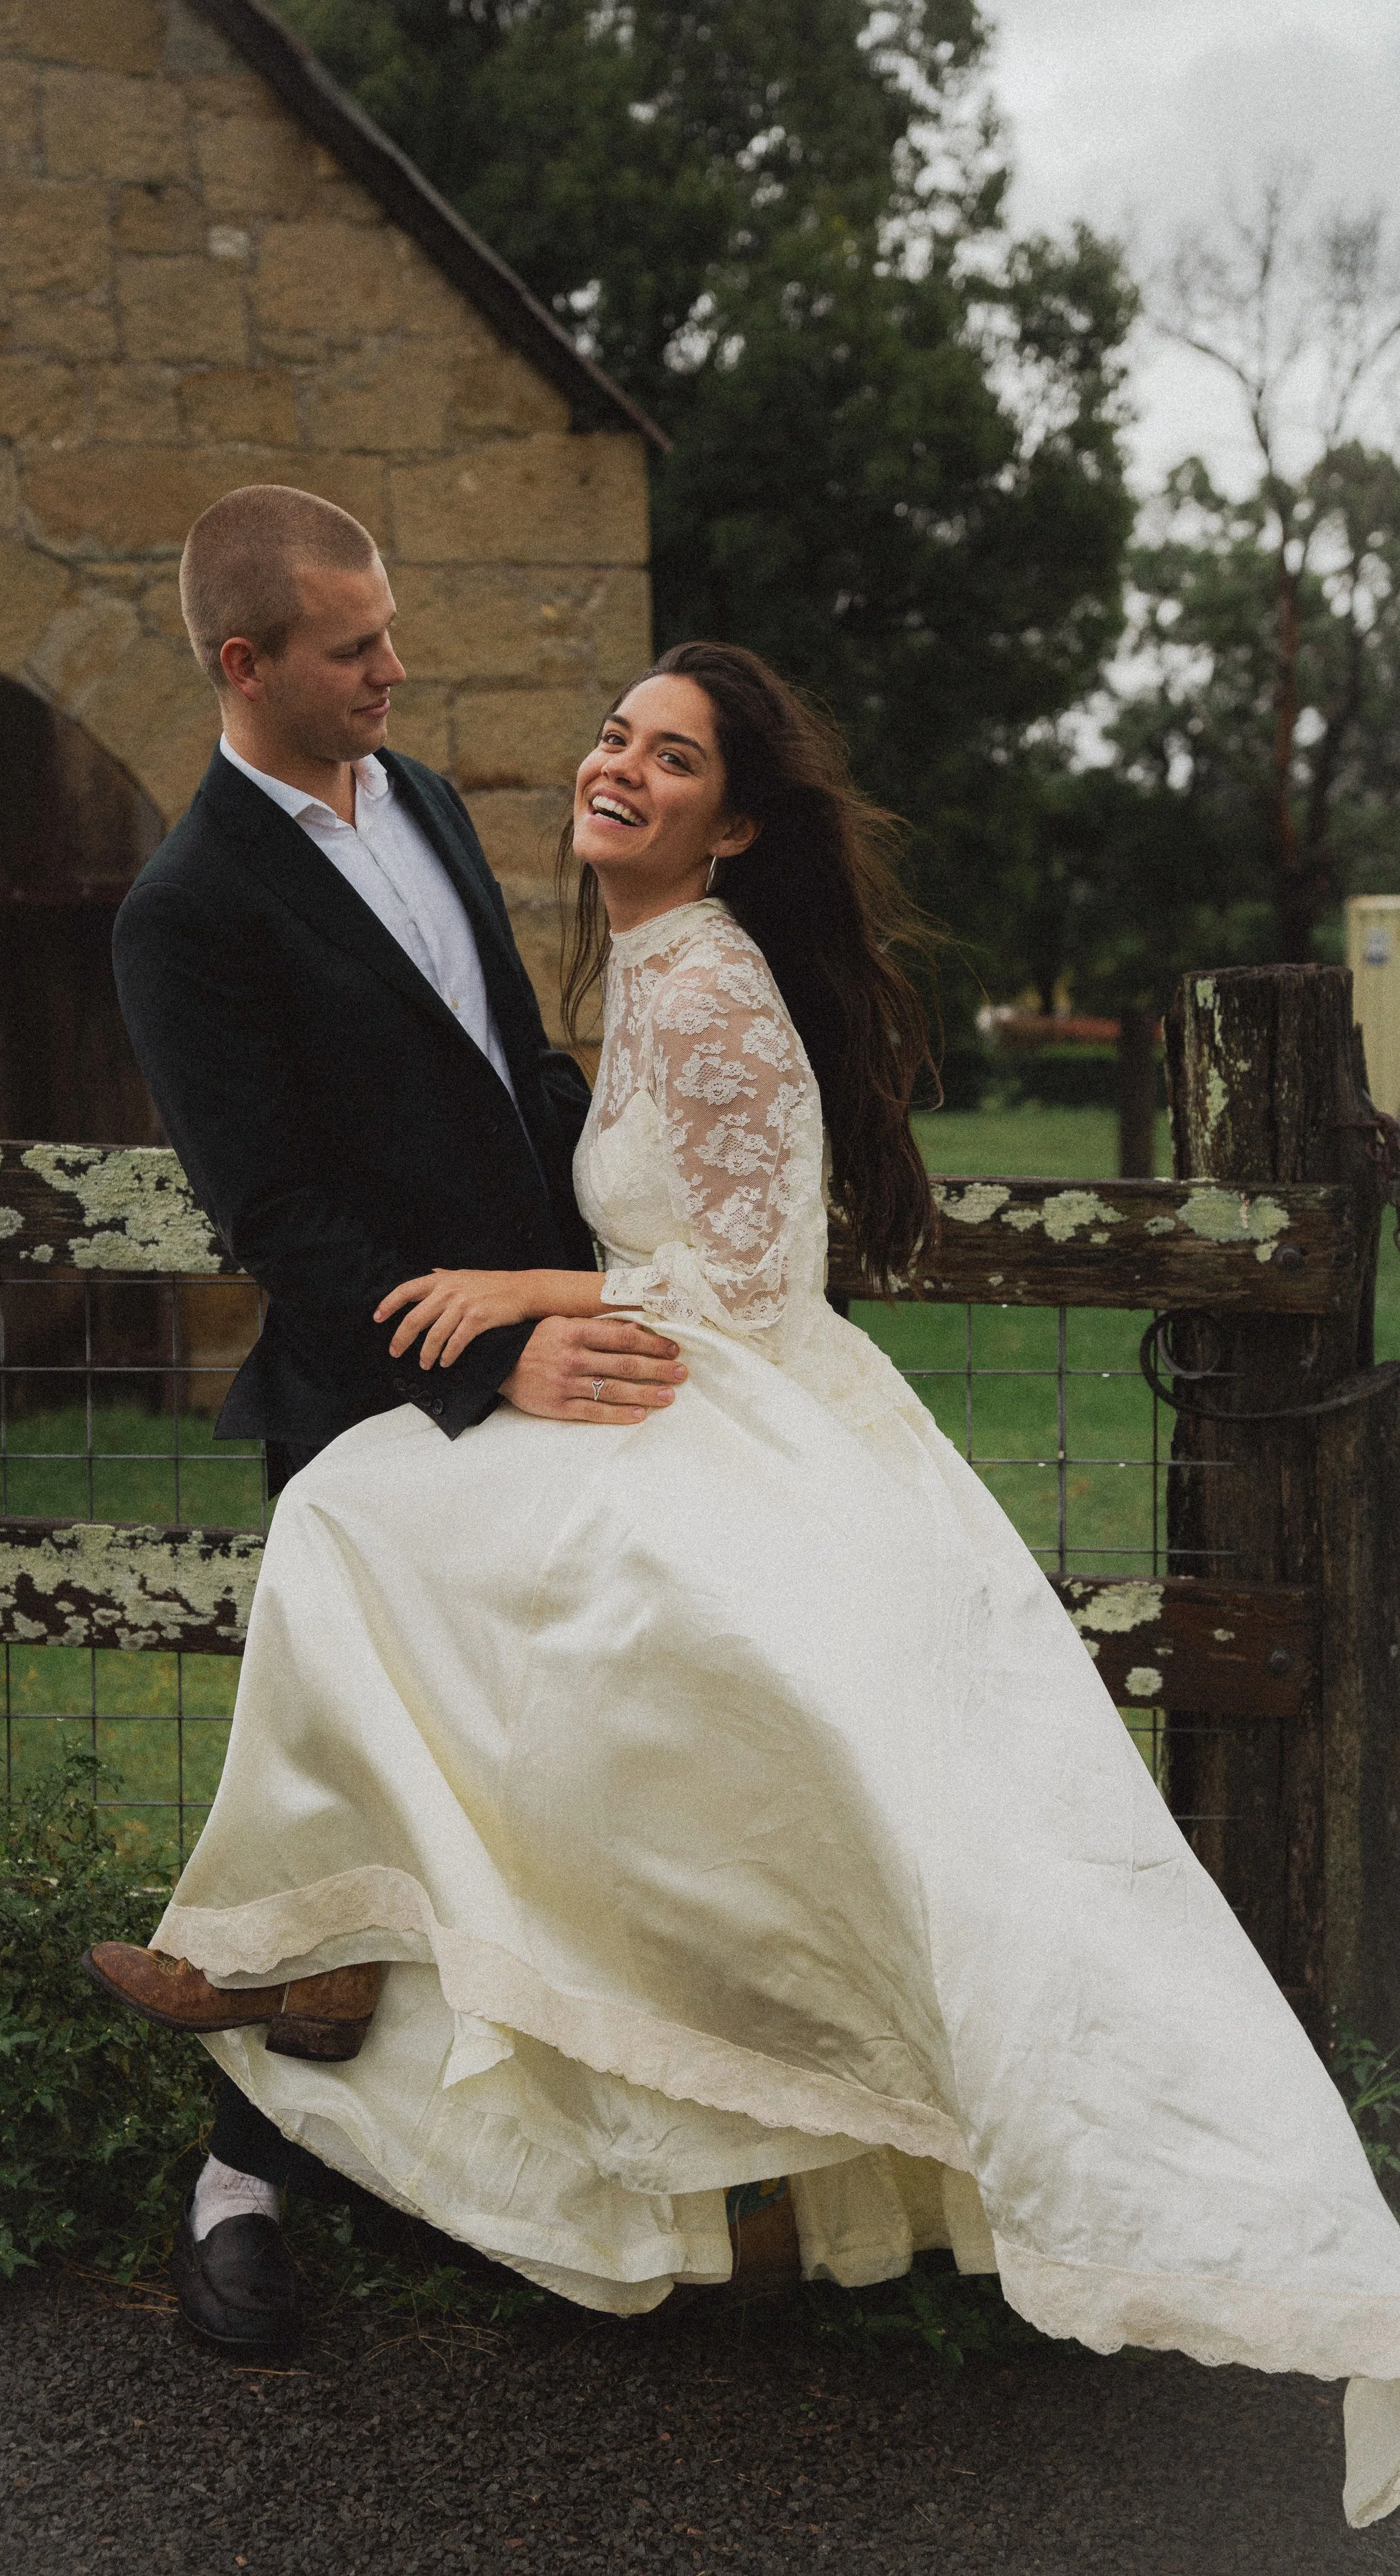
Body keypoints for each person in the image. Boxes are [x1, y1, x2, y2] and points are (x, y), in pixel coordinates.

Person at [101, 636, 1400, 2528]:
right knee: (376, 1546)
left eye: (671, 755)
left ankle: (319, 1954)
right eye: (615, 734)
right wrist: (518, 1296)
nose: (618, 764)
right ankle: (326, 1969)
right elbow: (538, 1169)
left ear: (738, 817)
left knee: (401, 1564)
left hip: (712, 1395)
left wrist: (528, 1294)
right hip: (603, 1376)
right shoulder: (605, 952)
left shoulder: (700, 978)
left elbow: (746, 1267)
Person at [94, 482, 690, 2357]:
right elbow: (279, 1220)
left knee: (563, 1757)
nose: (395, 669)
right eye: (356, 648)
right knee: (339, 1802)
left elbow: (513, 1067)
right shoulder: (185, 911)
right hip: (377, 1410)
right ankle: (240, 2179)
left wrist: (630, 1227)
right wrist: (476, 1360)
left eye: (391, 633)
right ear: (245, 663)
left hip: (553, 1353)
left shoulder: (421, 795)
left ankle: (553, 2161)